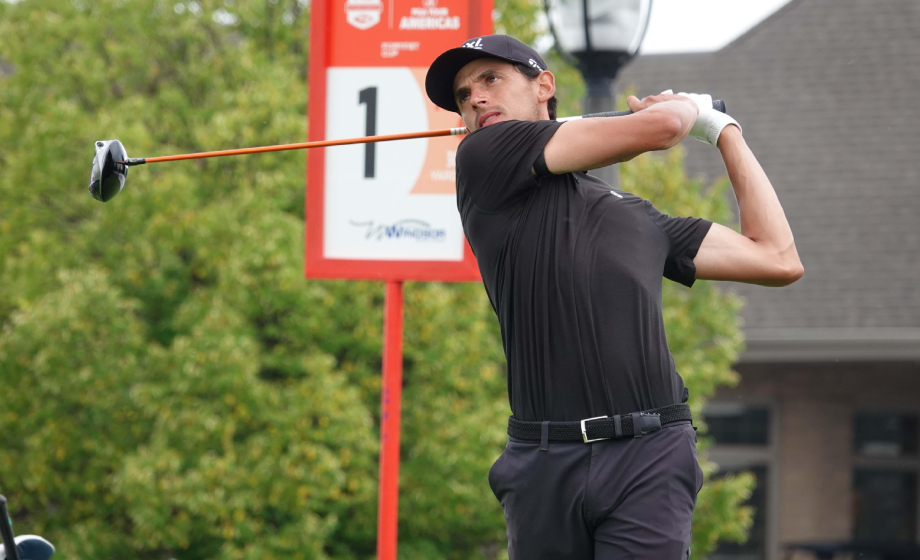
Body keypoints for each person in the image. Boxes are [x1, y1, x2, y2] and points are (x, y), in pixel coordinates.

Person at [424, 34, 803, 560]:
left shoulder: (632, 213)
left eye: (491, 79)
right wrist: (685, 112)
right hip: (542, 459)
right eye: (464, 96)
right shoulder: (483, 158)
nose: (476, 99)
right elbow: (664, 127)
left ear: (544, 87)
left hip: (649, 454)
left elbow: (778, 258)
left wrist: (723, 131)